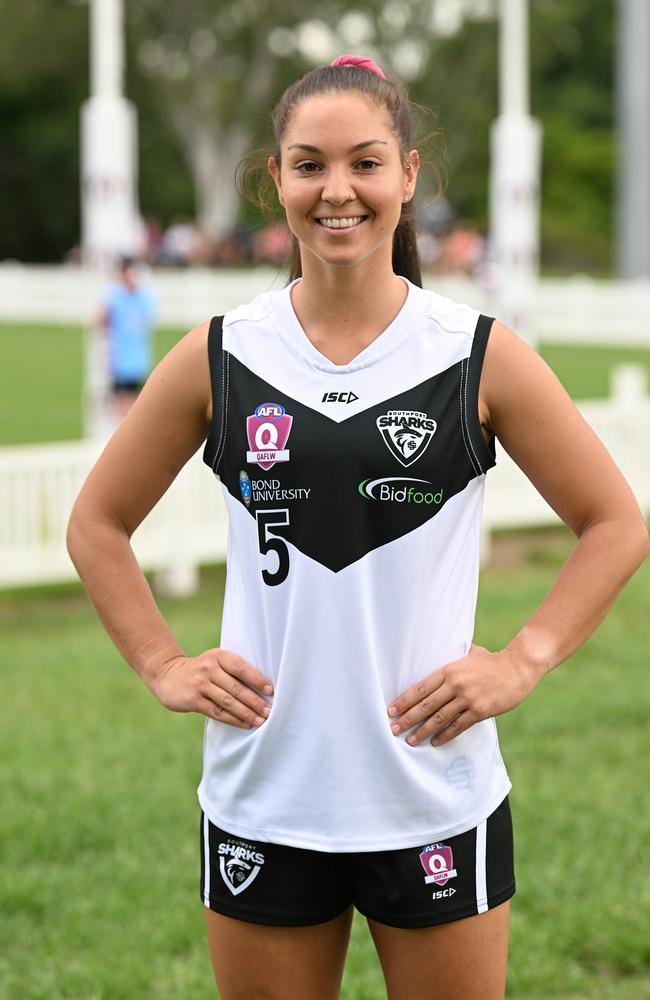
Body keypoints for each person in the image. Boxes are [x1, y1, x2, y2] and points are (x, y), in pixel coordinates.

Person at [67, 55, 648, 1000]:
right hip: (266, 795)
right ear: (278, 181)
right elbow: (96, 521)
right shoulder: (221, 355)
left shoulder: (472, 354)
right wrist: (162, 665)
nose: (338, 190)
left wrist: (525, 659)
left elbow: (615, 521)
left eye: (366, 163)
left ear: (409, 176)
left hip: (433, 797)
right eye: (309, 165)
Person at [100, 256, 157, 421]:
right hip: (120, 356)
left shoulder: (143, 296)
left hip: (137, 357)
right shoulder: (115, 296)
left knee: (134, 397)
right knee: (120, 396)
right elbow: (102, 320)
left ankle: (128, 427)